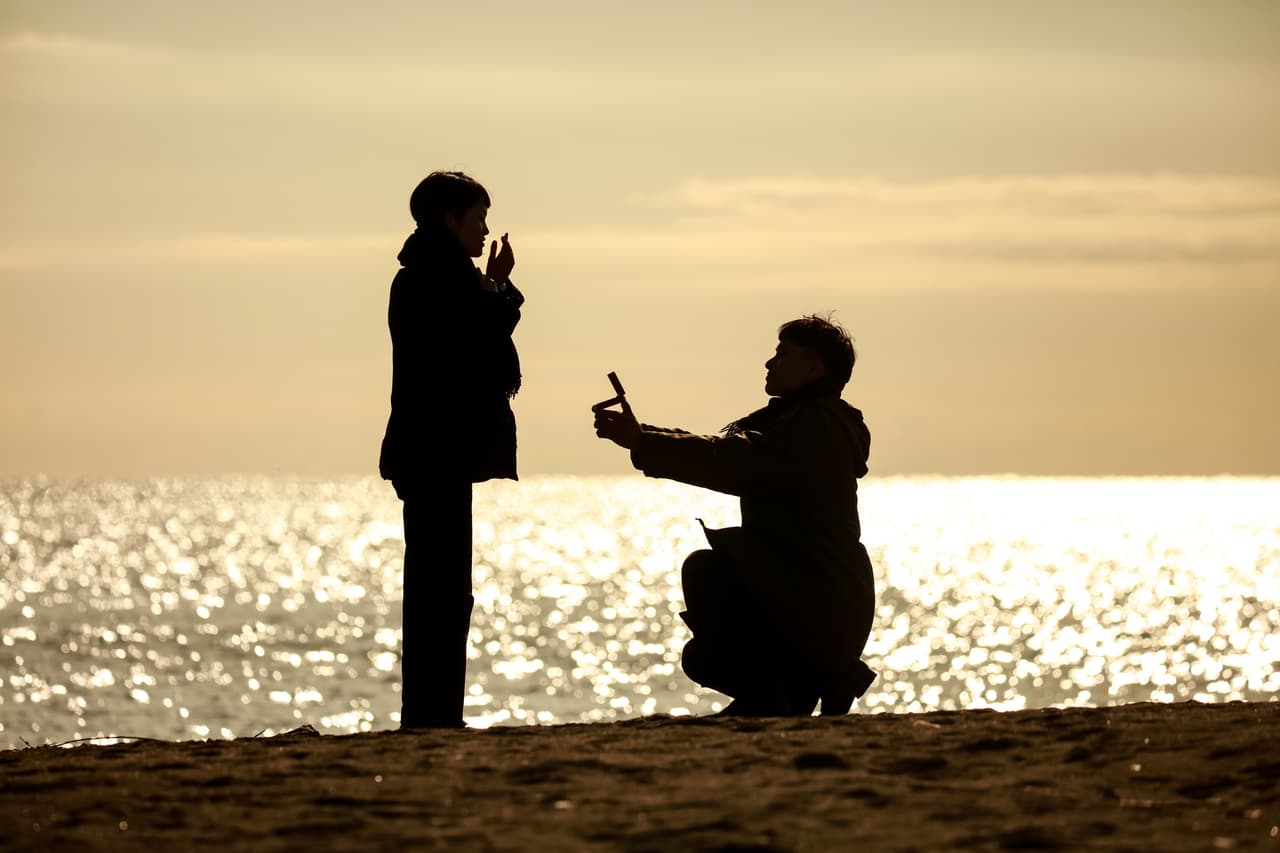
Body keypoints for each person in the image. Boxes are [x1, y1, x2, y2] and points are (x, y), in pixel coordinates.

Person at [593, 315, 877, 716]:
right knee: (704, 644)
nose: (770, 363)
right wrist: (644, 436)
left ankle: (789, 692)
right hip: (807, 586)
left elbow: (736, 460)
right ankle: (787, 690)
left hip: (818, 594)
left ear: (815, 369)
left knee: (707, 574)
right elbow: (726, 451)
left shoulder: (820, 427)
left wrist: (644, 441)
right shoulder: (800, 422)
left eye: (783, 354)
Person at [378, 171, 523, 728]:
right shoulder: (436, 277)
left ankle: (433, 712)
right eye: (479, 217)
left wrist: (491, 288)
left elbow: (476, 337)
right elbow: (477, 348)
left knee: (439, 591)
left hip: (428, 451)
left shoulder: (430, 274)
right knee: (440, 593)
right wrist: (496, 289)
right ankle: (432, 715)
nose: (485, 230)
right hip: (434, 450)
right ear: (450, 218)